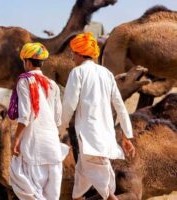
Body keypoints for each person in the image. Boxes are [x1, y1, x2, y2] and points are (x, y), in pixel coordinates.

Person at [60, 32, 136, 200]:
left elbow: (69, 104)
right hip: (104, 135)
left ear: (79, 53)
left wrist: (60, 128)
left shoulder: (77, 72)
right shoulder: (106, 74)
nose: (72, 56)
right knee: (79, 187)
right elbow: (120, 106)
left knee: (107, 191)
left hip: (89, 138)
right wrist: (126, 135)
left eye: (73, 52)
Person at [8, 42, 69, 200]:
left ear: (27, 62)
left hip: (34, 145)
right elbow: (57, 118)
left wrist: (16, 139)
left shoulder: (25, 81)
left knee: (25, 185)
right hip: (53, 147)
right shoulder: (53, 85)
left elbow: (25, 115)